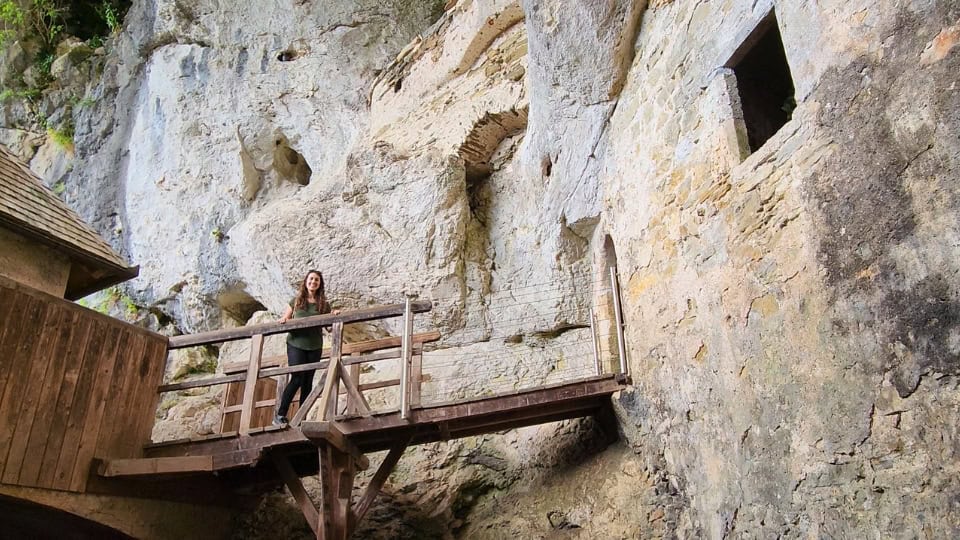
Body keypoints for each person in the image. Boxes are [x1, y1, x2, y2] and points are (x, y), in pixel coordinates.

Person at [274, 269, 336, 425]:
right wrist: (284, 320)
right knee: (297, 378)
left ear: (320, 284)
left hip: (314, 346)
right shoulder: (296, 301)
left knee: (308, 381)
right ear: (306, 281)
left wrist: (335, 315)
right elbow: (285, 318)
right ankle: (280, 415)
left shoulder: (323, 304)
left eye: (316, 280)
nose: (313, 282)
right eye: (311, 279)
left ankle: (302, 417)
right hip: (296, 343)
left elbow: (329, 328)